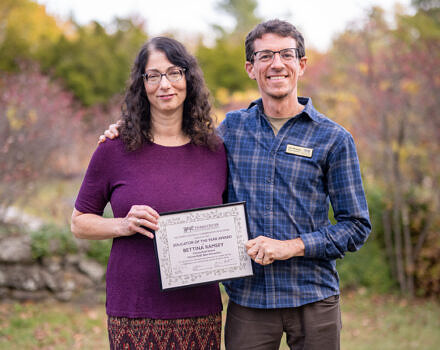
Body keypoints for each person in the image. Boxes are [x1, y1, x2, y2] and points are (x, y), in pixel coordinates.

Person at [101, 19, 371, 350]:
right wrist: (126, 128)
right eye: (265, 56)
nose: (276, 64)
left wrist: (291, 246)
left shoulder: (334, 139)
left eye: (286, 54)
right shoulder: (230, 131)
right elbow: (175, 137)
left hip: (313, 298)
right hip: (249, 302)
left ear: (301, 64)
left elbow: (356, 226)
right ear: (250, 67)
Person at [72, 36, 227, 350]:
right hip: (134, 309)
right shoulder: (114, 148)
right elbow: (79, 222)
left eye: (173, 73)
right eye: (153, 75)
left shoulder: (215, 150)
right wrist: (122, 225)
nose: (164, 84)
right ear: (142, 85)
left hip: (199, 310)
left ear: (188, 78)